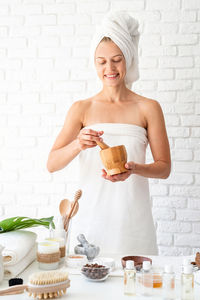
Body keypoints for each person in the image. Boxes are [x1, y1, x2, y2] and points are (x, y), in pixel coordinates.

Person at [47, 12, 171, 255]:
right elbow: (52, 164)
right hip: (91, 223)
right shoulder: (81, 108)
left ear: (129, 60)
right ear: (94, 63)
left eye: (117, 59)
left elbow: (164, 168)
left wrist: (134, 169)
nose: (109, 68)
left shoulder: (148, 108)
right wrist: (77, 145)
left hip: (134, 223)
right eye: (101, 61)